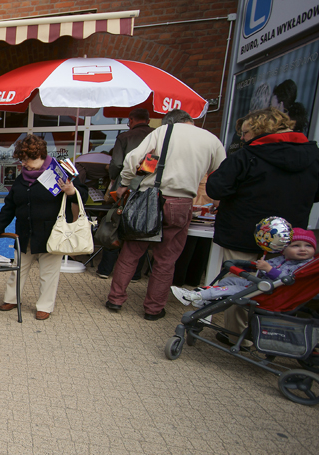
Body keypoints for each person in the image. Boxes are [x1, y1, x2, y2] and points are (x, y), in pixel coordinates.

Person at [206, 107, 319, 346]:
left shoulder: (246, 156)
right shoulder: (312, 156)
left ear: (259, 130)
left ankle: (237, 336)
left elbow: (216, 188)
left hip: (242, 229)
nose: (243, 138)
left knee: (240, 281)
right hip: (288, 236)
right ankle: (266, 333)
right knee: (277, 284)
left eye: (246, 132)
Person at [105, 110, 225, 320]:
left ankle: (115, 299)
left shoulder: (162, 132)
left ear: (168, 122)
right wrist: (217, 199)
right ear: (190, 121)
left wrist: (125, 182)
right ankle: (153, 309)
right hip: (182, 201)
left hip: (149, 198)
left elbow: (134, 159)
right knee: (166, 259)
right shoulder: (211, 139)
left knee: (131, 253)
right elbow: (220, 173)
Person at [0, 135, 86, 321]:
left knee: (48, 274)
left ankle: (44, 306)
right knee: (18, 269)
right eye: (22, 160)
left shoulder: (61, 172)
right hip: (24, 232)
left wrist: (71, 191)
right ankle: (11, 299)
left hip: (51, 234)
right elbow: (10, 205)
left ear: (41, 156)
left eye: (28, 160)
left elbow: (83, 195)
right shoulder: (21, 178)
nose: (24, 164)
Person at [171, 228, 316, 306]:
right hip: (258, 284)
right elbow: (264, 268)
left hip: (270, 292)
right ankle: (206, 299)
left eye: (308, 246)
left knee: (231, 289)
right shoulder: (281, 259)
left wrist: (268, 269)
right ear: (283, 250)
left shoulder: (305, 265)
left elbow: (287, 279)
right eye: (296, 246)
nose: (303, 249)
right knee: (227, 281)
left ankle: (194, 296)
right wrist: (255, 267)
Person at [97, 108, 155, 279]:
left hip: (125, 185)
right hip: (148, 187)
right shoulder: (156, 135)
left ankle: (105, 269)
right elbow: (154, 162)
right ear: (148, 120)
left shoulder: (124, 137)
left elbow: (116, 163)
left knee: (115, 223)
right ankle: (135, 274)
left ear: (131, 120)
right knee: (140, 228)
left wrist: (114, 178)